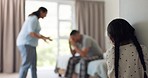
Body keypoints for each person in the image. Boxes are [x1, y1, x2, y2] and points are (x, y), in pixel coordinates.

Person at [17, 7, 52, 78]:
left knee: (33, 65)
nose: (45, 15)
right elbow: (31, 33)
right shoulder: (33, 19)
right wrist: (42, 38)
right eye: (45, 13)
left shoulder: (35, 19)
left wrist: (45, 37)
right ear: (41, 12)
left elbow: (36, 33)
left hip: (31, 44)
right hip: (26, 43)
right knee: (26, 64)